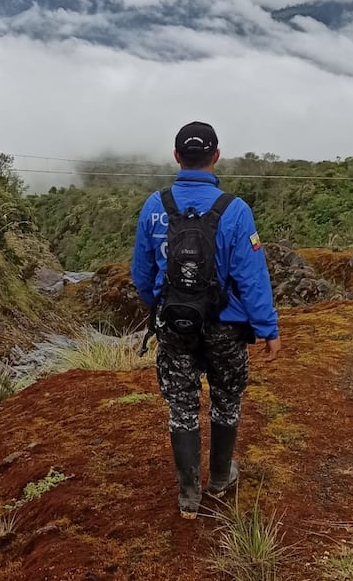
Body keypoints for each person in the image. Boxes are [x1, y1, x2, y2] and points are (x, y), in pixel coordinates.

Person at [131, 121, 281, 520]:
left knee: (181, 405)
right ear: (215, 157)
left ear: (178, 157)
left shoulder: (154, 206)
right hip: (226, 328)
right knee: (226, 399)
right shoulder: (235, 210)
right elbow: (252, 277)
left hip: (174, 327)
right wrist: (267, 329)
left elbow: (141, 275)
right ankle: (219, 479)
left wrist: (164, 306)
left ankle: (188, 495)